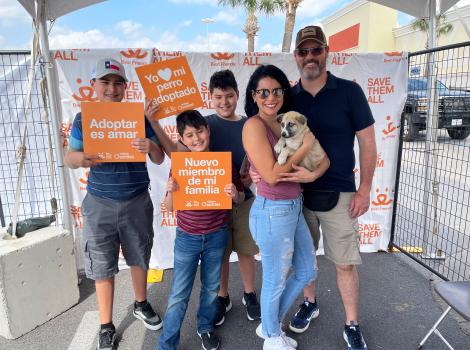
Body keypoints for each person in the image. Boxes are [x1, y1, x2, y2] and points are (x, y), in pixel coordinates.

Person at [283, 26, 377, 350]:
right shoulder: (287, 98)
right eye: (303, 51)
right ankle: (310, 303)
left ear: (326, 51)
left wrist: (365, 189)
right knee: (304, 259)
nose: (310, 57)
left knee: (345, 263)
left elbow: (367, 144)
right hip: (297, 195)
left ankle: (352, 323)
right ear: (296, 56)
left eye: (315, 50)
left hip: (341, 194)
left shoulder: (350, 92)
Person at [65, 58, 165, 350]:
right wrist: (80, 159)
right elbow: (69, 157)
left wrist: (152, 146)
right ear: (94, 86)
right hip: (99, 203)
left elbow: (159, 158)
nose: (111, 88)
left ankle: (140, 303)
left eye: (117, 83)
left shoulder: (138, 116)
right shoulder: (85, 119)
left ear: (125, 87)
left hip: (136, 200)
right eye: (105, 82)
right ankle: (106, 325)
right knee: (101, 265)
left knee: (139, 255)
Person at [242, 64, 329, 350]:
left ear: (283, 92)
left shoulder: (283, 121)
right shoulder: (254, 125)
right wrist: (305, 146)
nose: (270, 97)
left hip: (293, 206)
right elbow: (271, 175)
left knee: (306, 271)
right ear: (254, 95)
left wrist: (312, 169)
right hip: (272, 211)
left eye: (276, 90)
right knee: (275, 279)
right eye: (263, 91)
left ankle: (269, 325)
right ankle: (271, 336)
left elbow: (322, 160)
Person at [157, 110, 245, 350]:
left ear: (208, 130)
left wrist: (234, 194)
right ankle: (167, 343)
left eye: (200, 131)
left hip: (217, 236)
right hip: (187, 238)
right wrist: (171, 190)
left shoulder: (222, 163)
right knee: (178, 294)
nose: (196, 138)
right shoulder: (180, 166)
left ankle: (205, 327)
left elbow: (240, 198)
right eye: (189, 135)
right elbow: (168, 206)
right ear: (182, 140)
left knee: (210, 289)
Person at [205, 70, 260, 325]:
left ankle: (249, 294)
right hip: (214, 204)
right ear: (210, 98)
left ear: (238, 95)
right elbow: (187, 154)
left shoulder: (250, 124)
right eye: (218, 97)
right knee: (221, 253)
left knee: (247, 250)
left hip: (245, 199)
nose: (224, 102)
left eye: (229, 96)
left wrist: (253, 175)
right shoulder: (204, 126)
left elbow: (259, 158)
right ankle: (222, 296)